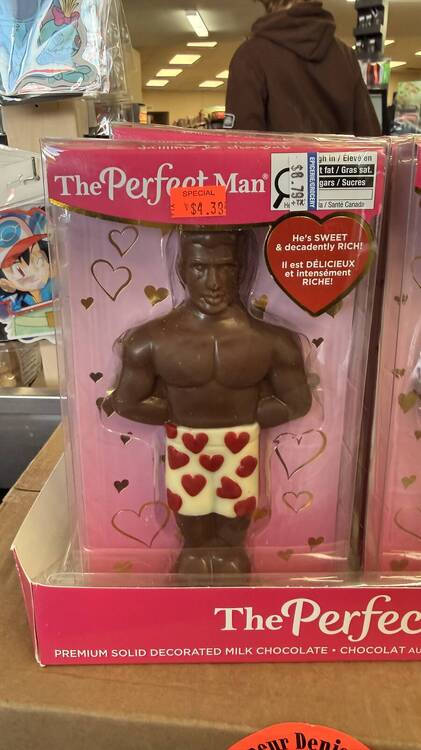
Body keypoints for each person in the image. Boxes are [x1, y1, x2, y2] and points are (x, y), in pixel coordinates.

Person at [108, 229, 311, 579]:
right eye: (200, 268)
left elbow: (297, 402)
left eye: (225, 267)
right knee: (192, 521)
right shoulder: (148, 342)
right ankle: (195, 559)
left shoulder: (275, 343)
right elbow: (126, 402)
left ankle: (230, 559)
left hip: (241, 444)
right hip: (185, 444)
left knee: (235, 523)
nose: (213, 282)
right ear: (182, 269)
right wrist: (178, 413)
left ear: (241, 270)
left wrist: (244, 417)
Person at [225, 0, 381, 136]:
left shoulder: (250, 57)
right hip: (341, 161)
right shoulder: (346, 56)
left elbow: (241, 149)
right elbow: (371, 142)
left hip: (279, 162)